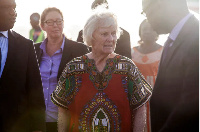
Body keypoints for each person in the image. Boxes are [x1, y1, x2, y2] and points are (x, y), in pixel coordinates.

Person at [51, 7, 152, 132]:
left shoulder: (127, 67)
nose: (111, 39)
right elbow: (62, 109)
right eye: (105, 34)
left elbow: (140, 107)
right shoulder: (73, 68)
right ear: (91, 36)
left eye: (113, 33)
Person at [142, 0, 199, 131]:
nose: (147, 20)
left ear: (161, 6)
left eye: (146, 12)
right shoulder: (174, 38)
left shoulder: (196, 37)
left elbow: (191, 104)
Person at [34, 7, 89, 132]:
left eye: (59, 21)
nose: (55, 25)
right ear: (42, 26)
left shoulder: (79, 50)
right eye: (50, 22)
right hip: (39, 122)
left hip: (66, 121)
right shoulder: (33, 50)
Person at [0, 0, 46, 132]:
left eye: (14, 8)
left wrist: (38, 128)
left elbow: (35, 91)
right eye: (7, 7)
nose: (13, 13)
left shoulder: (25, 46)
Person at [131, 19, 163, 132]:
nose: (147, 32)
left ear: (157, 33)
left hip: (157, 97)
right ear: (140, 32)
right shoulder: (132, 52)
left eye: (151, 29)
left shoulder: (163, 51)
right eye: (144, 29)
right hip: (136, 97)